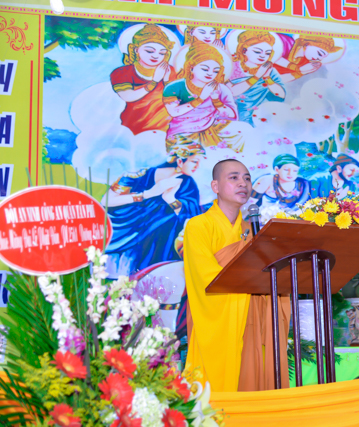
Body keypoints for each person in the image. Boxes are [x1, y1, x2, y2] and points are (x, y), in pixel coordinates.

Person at [182, 159, 290, 392]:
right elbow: (206, 278)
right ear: (215, 186)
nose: (243, 183)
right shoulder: (198, 226)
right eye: (234, 178)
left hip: (254, 318)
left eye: (247, 178)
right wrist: (249, 282)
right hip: (220, 318)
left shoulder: (253, 231)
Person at [104, 137, 203, 275]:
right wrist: (147, 194)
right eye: (194, 161)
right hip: (126, 231)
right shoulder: (139, 174)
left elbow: (192, 215)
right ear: (180, 161)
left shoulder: (188, 184)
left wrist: (171, 200)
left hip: (160, 244)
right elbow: (106, 201)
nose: (197, 166)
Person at [163, 42, 238, 149]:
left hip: (212, 127)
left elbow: (231, 115)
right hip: (183, 129)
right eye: (205, 69)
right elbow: (174, 112)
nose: (210, 73)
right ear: (191, 67)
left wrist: (216, 100)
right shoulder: (174, 87)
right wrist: (201, 98)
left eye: (215, 71)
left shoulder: (221, 89)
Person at [110, 24, 177, 135]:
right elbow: (128, 97)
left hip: (166, 126)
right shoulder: (123, 72)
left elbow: (177, 100)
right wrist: (154, 82)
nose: (156, 56)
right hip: (134, 125)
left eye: (162, 53)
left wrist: (167, 82)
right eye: (150, 51)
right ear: (136, 50)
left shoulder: (170, 71)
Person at [227, 30, 285, 125]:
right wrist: (257, 76)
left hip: (259, 113)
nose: (263, 56)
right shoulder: (232, 67)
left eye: (267, 53)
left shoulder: (269, 70)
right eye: (257, 52)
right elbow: (231, 92)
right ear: (244, 50)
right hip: (234, 112)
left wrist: (267, 78)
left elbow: (281, 95)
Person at [273, 35, 342, 83]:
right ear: (307, 44)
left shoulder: (305, 63)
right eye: (320, 54)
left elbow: (279, 80)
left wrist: (302, 72)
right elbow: (273, 57)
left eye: (321, 58)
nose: (318, 58)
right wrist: (297, 68)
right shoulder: (287, 43)